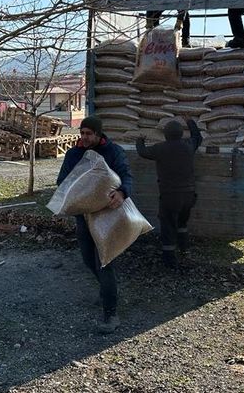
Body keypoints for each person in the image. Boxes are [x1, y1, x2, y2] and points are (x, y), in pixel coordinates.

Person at [56, 115, 133, 333]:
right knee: (88, 259)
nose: (84, 137)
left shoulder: (114, 152)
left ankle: (111, 314)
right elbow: (62, 180)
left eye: (89, 134)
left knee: (105, 262)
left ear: (99, 135)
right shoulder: (74, 154)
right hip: (84, 215)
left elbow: (126, 176)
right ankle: (106, 291)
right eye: (82, 133)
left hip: (109, 215)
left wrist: (122, 192)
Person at [135, 117, 203, 268]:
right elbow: (198, 137)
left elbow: (143, 152)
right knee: (182, 223)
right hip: (189, 195)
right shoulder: (188, 146)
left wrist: (140, 140)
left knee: (168, 226)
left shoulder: (160, 148)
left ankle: (170, 260)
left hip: (170, 196)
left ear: (165, 134)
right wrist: (190, 122)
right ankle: (184, 249)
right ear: (180, 134)